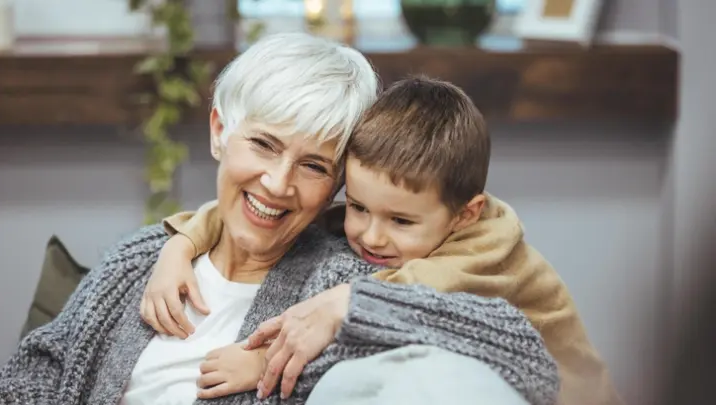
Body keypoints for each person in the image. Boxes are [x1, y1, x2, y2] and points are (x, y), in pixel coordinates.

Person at [0, 33, 559, 405]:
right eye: (264, 145)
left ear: (340, 182)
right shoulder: (141, 260)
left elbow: (527, 361)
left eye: (313, 165)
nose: (278, 183)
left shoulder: (339, 284)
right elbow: (39, 369)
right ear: (220, 132)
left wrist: (349, 309)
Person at [145, 76, 621, 405]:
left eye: (400, 220)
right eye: (356, 207)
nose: (369, 235)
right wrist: (181, 245)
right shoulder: (392, 225)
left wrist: (271, 357)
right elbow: (270, 212)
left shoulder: (482, 250)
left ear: (466, 214)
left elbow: (395, 318)